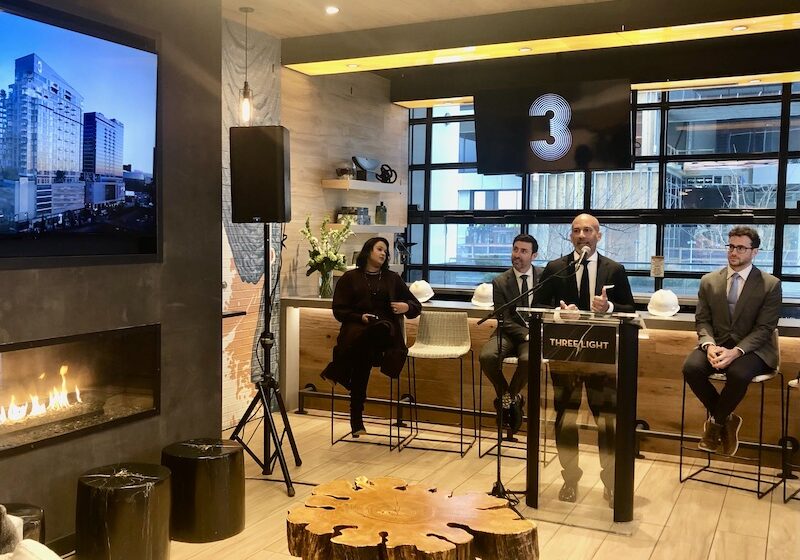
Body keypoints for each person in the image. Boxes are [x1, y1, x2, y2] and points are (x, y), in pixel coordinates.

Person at [533, 213, 634, 506]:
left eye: (587, 230)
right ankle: (570, 479)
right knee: (565, 419)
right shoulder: (555, 268)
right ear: (570, 236)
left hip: (601, 358)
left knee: (607, 422)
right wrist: (557, 314)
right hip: (564, 355)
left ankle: (611, 482)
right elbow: (537, 305)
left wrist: (609, 306)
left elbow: (629, 308)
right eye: (576, 231)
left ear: (598, 236)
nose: (581, 235)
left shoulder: (614, 269)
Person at [683, 226, 780, 457]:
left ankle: (715, 424)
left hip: (753, 349)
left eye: (741, 248)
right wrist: (709, 345)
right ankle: (727, 419)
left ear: (754, 252)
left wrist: (737, 351)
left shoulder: (770, 284)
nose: (733, 252)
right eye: (731, 246)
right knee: (691, 368)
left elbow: (765, 328)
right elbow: (702, 320)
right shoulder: (709, 281)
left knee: (738, 374)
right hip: (717, 344)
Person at [321, 237, 422, 437]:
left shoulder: (392, 278)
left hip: (385, 335)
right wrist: (360, 317)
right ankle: (356, 422)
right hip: (357, 331)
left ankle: (337, 370)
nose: (384, 253)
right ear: (368, 251)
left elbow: (416, 306)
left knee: (382, 328)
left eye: (386, 251)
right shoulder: (350, 278)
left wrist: (405, 306)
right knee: (362, 361)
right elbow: (339, 311)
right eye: (379, 249)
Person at [479, 233, 540, 433]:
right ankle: (510, 397)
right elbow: (503, 318)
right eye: (515, 249)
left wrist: (534, 333)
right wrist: (525, 334)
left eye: (523, 251)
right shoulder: (500, 281)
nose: (517, 255)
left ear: (534, 255)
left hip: (534, 334)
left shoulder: (544, 278)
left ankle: (508, 400)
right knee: (487, 356)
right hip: (507, 332)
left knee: (529, 358)